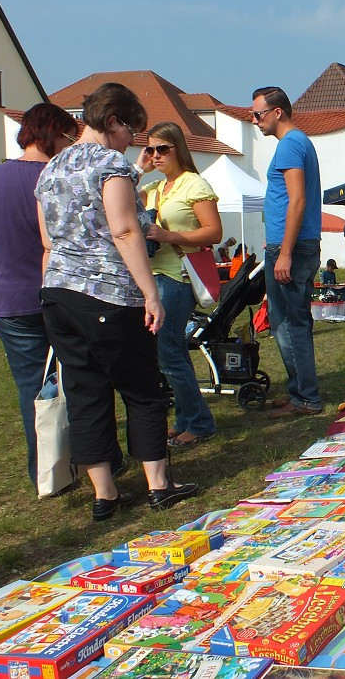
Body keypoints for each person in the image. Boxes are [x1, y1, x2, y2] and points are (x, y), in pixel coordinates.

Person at [36, 82, 197, 520]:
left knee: (85, 391)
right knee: (142, 389)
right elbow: (125, 230)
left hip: (58, 293)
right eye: (131, 131)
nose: (134, 142)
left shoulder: (52, 168)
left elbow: (48, 238)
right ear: (113, 122)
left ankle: (104, 493)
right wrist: (150, 294)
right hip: (107, 293)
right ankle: (159, 484)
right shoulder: (110, 165)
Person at [0, 103, 127, 490]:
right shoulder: (60, 174)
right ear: (54, 133)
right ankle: (103, 464)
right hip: (67, 291)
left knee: (33, 391)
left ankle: (48, 471)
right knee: (84, 381)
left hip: (11, 299)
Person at [138, 122, 222, 449]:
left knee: (168, 353)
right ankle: (187, 420)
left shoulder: (193, 184)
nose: (156, 155)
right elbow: (118, 200)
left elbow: (213, 232)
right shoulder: (155, 188)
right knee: (171, 354)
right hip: (156, 277)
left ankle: (199, 422)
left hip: (179, 277)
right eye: (150, 149)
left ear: (178, 149)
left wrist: (169, 236)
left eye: (162, 149)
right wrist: (140, 170)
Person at [251, 86, 323, 419]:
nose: (255, 121)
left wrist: (285, 253)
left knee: (290, 323)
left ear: (277, 112)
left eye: (258, 114)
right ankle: (299, 390)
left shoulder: (291, 145)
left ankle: (306, 398)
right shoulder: (298, 143)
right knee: (288, 321)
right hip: (293, 244)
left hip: (290, 247)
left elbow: (297, 200)